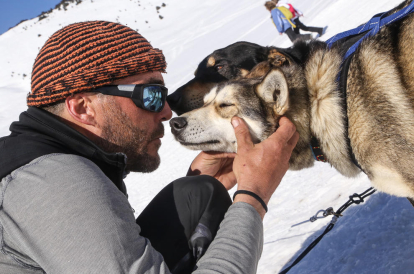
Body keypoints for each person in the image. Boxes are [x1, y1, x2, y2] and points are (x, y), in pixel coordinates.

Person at [0, 21, 299, 273]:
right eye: (151, 95)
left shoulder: (51, 161)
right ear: (82, 107)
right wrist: (253, 196)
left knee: (197, 194)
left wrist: (209, 183)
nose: (168, 111)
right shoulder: (55, 184)